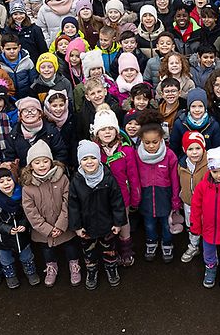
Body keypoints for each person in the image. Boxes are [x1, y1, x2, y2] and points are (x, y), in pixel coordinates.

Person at [20, 141, 81, 287]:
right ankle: (51, 267)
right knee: (47, 250)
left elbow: (68, 202)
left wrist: (60, 225)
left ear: (51, 162)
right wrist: (47, 229)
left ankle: (74, 266)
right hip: (43, 230)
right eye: (37, 162)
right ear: (30, 165)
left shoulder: (62, 179)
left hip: (64, 225)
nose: (42, 165)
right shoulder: (28, 186)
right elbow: (30, 211)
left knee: (70, 247)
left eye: (45, 161)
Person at [69, 140, 127, 290]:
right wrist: (77, 226)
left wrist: (118, 222)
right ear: (79, 161)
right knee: (88, 252)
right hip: (86, 227)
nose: (89, 162)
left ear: (99, 159)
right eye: (85, 159)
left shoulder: (108, 177)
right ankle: (92, 270)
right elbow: (73, 206)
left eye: (93, 158)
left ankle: (111, 268)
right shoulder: (76, 181)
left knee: (109, 249)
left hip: (106, 224)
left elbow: (117, 202)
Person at [190, 146, 220, 290]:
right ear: (210, 170)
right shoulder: (202, 187)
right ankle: (210, 266)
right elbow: (196, 208)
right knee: (208, 250)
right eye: (215, 171)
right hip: (208, 229)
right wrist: (195, 226)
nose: (219, 175)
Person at [135, 118, 181, 263]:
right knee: (149, 224)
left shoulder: (169, 155)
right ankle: (151, 242)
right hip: (146, 197)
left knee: (167, 224)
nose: (151, 146)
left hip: (164, 197)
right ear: (141, 140)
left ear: (161, 138)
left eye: (155, 142)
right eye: (147, 143)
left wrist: (175, 200)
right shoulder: (137, 155)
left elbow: (175, 180)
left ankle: (167, 244)